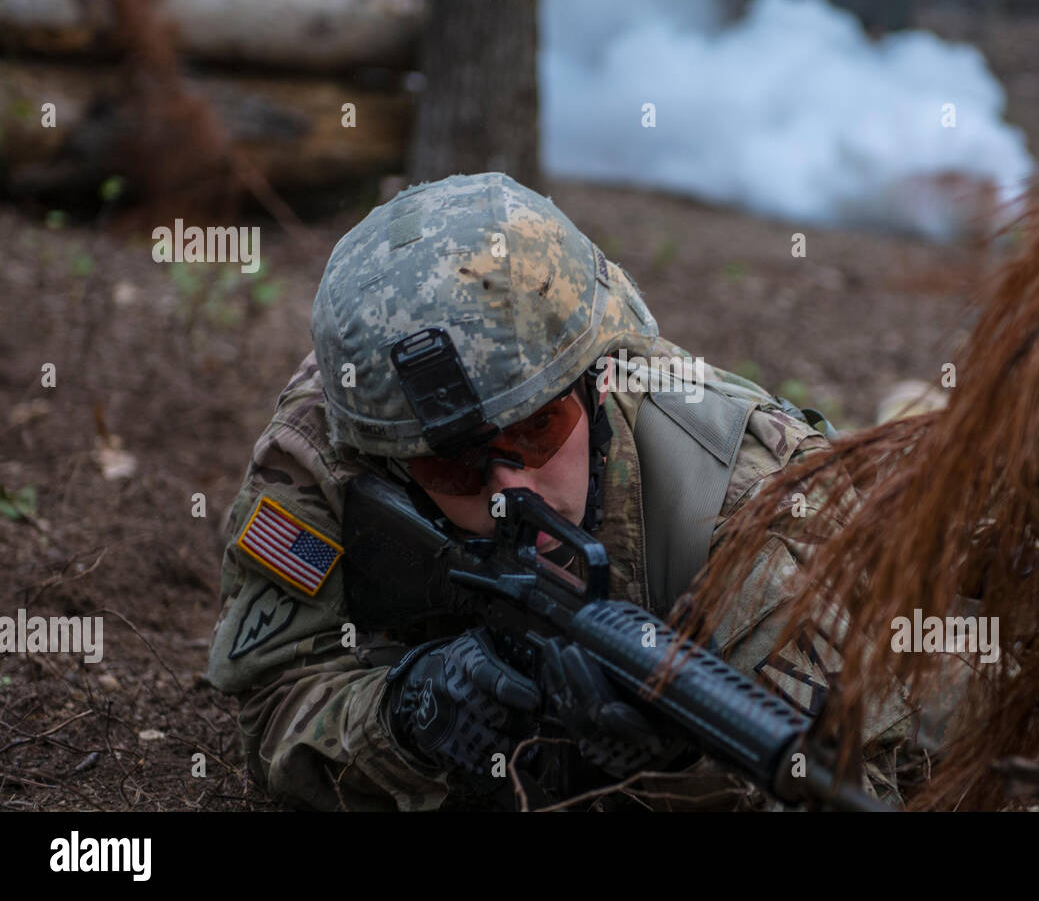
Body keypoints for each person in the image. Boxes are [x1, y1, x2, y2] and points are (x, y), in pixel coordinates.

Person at [206, 172, 939, 811]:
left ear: (596, 383)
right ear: (394, 462)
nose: (510, 490)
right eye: (456, 468)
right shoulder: (340, 440)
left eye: (536, 431)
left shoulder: (747, 500)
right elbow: (274, 703)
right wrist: (415, 712)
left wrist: (669, 774)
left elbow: (857, 779)